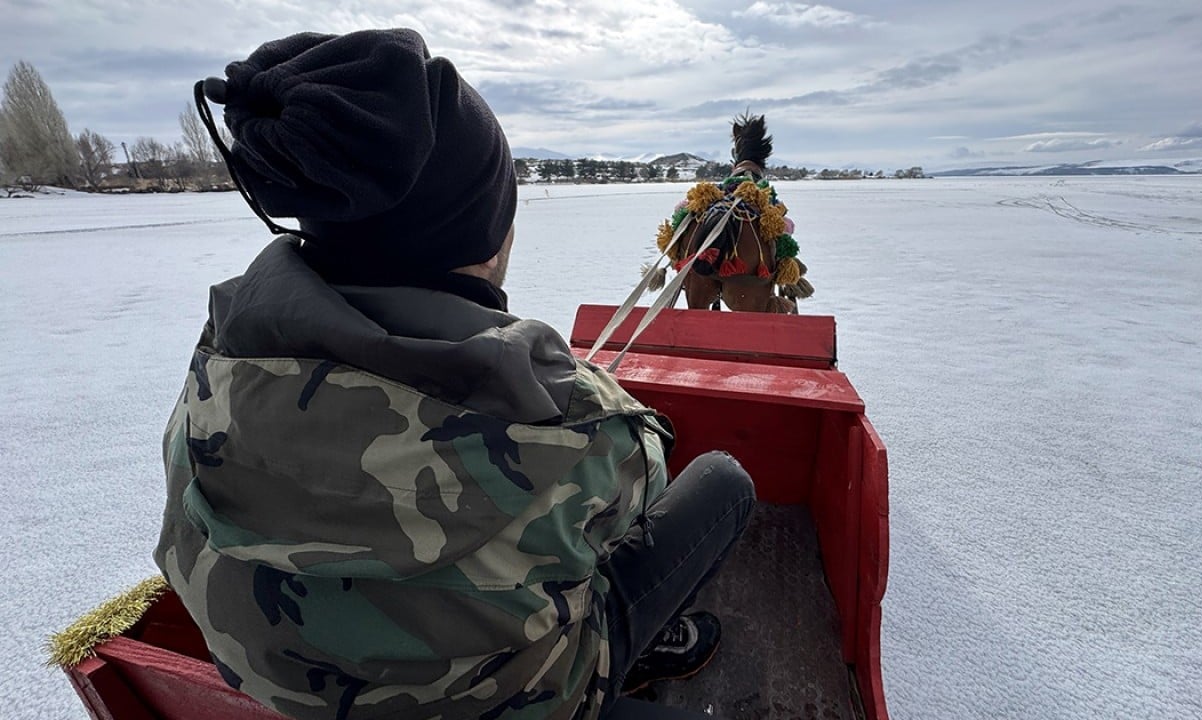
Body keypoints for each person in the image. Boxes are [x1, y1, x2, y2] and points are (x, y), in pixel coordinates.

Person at [154, 28, 755, 720]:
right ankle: (623, 651)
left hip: (300, 688)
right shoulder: (576, 428)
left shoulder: (212, 378)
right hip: (530, 702)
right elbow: (646, 477)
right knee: (724, 483)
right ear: (481, 235)